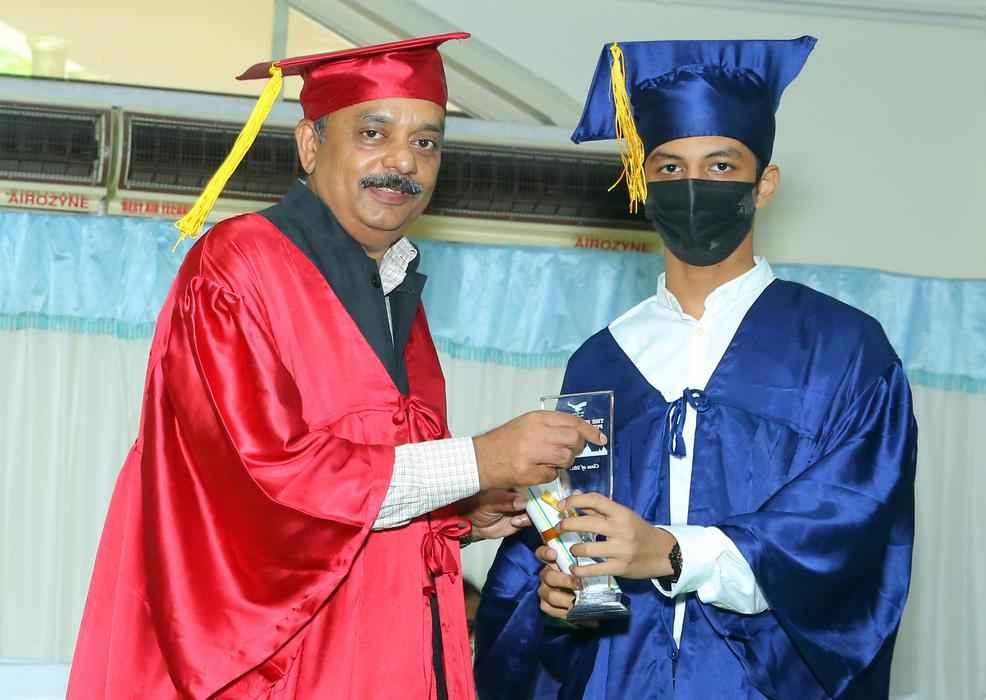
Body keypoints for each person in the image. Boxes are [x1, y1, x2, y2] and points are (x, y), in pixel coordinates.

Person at [67, 33, 602, 700]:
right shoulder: (239, 267)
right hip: (287, 670)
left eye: (427, 142)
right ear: (310, 144)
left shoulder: (399, 295)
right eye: (374, 133)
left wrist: (458, 513)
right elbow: (263, 484)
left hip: (395, 657)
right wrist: (478, 460)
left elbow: (369, 485)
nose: (402, 160)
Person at [475, 37, 917, 699]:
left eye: (721, 165)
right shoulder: (604, 359)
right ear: (643, 185)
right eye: (670, 167)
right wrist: (562, 598)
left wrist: (672, 552)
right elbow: (563, 536)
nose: (693, 187)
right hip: (621, 681)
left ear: (764, 185)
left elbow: (850, 532)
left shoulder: (845, 352)